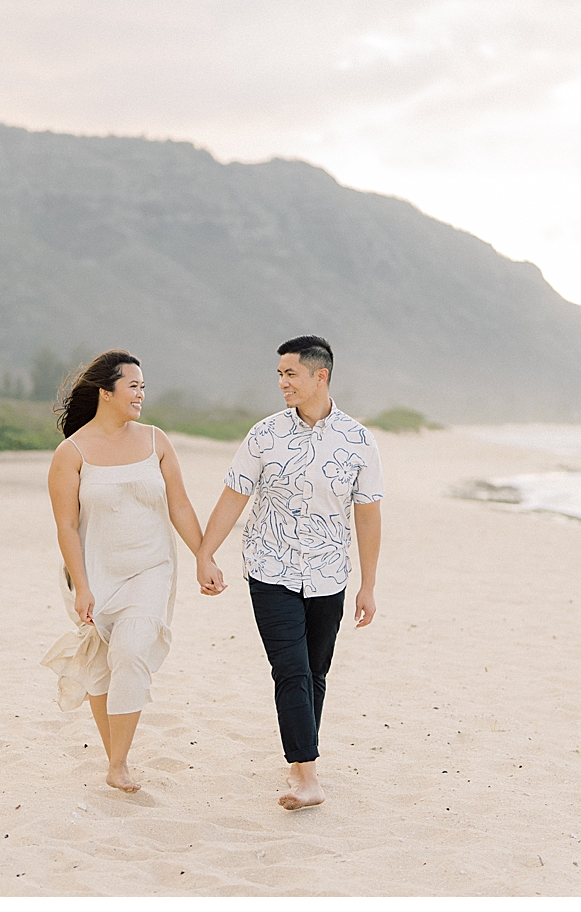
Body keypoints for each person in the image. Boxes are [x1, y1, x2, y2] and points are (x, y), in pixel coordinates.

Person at [196, 335, 384, 810]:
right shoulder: (264, 435)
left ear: (320, 375)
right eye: (279, 374)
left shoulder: (359, 440)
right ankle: (307, 775)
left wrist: (369, 584)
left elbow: (367, 514)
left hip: (328, 574)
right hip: (269, 567)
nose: (282, 382)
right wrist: (205, 553)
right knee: (291, 669)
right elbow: (234, 495)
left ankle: (302, 759)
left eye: (290, 374)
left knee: (315, 671)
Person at [41, 350, 206, 793]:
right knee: (101, 663)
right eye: (133, 386)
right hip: (93, 573)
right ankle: (115, 757)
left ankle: (118, 764)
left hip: (150, 569)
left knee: (131, 652)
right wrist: (82, 586)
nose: (141, 394)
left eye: (143, 387)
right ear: (105, 392)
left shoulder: (156, 441)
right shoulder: (71, 453)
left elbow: (181, 505)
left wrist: (203, 556)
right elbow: (66, 525)